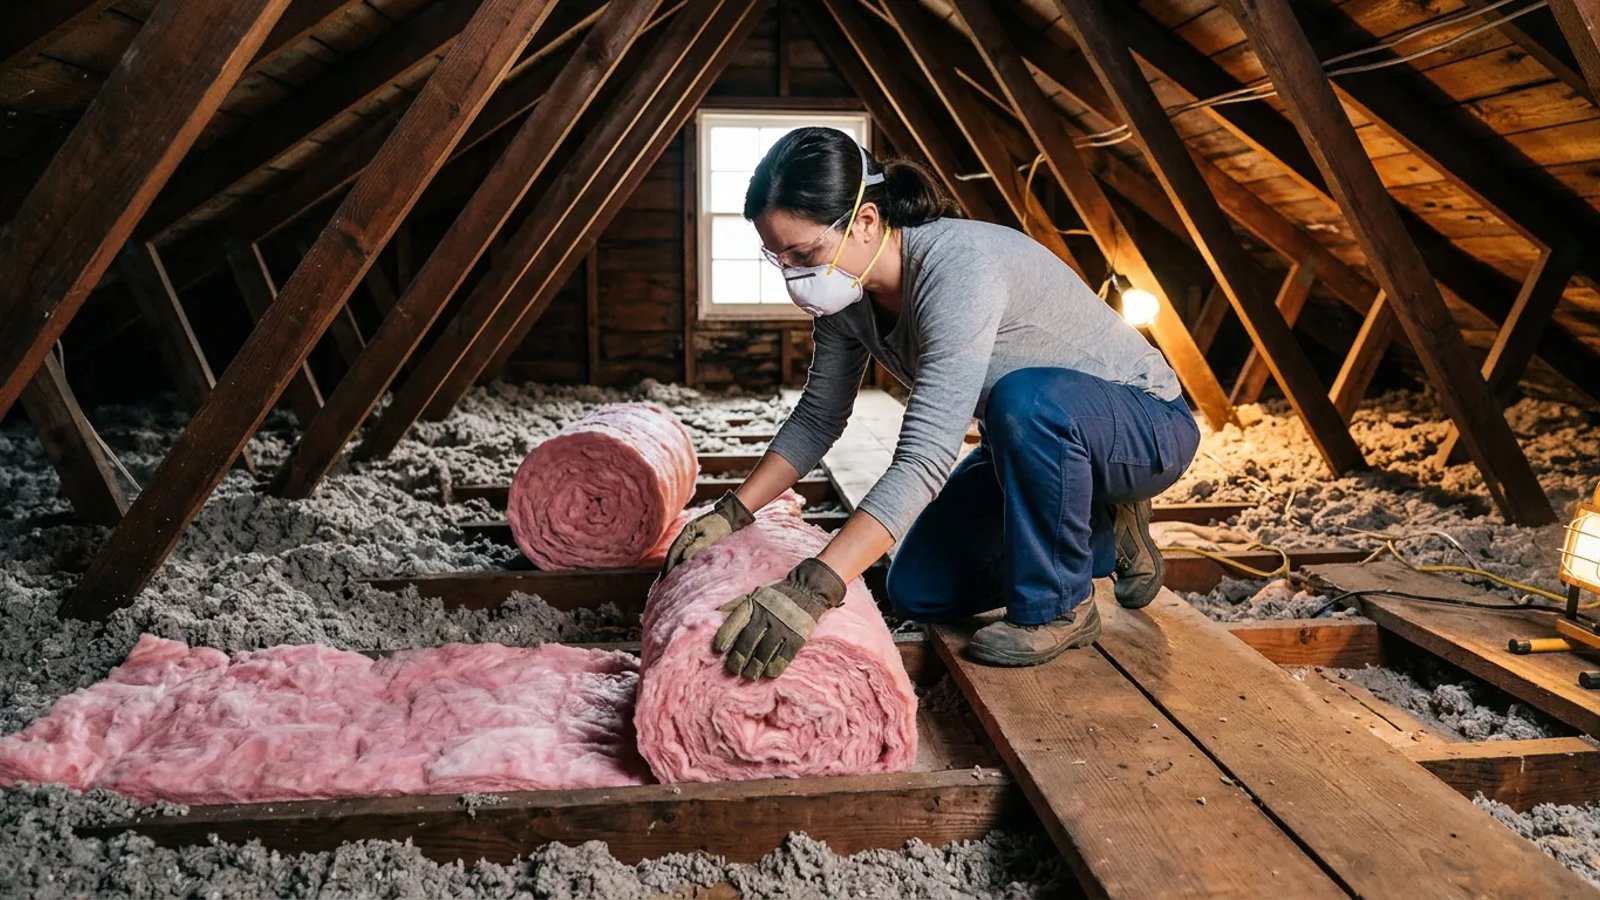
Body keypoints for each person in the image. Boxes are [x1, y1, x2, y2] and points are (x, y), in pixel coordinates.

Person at [660, 127, 1199, 677]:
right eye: (780, 259)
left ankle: (1061, 606)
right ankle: (1101, 527)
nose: (797, 276)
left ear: (866, 221)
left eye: (805, 253)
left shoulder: (956, 269)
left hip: (1144, 424)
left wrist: (813, 587)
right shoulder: (850, 294)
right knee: (919, 589)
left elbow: (925, 455)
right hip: (1030, 448)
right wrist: (733, 511)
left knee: (1025, 399)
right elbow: (819, 417)